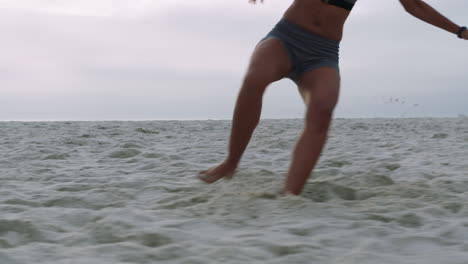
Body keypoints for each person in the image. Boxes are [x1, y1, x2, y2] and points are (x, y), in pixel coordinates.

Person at [198, 0, 468, 195]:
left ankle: (290, 195)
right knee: (255, 78)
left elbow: (415, 5)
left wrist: (460, 31)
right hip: (286, 37)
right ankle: (231, 161)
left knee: (322, 110)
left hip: (322, 53)